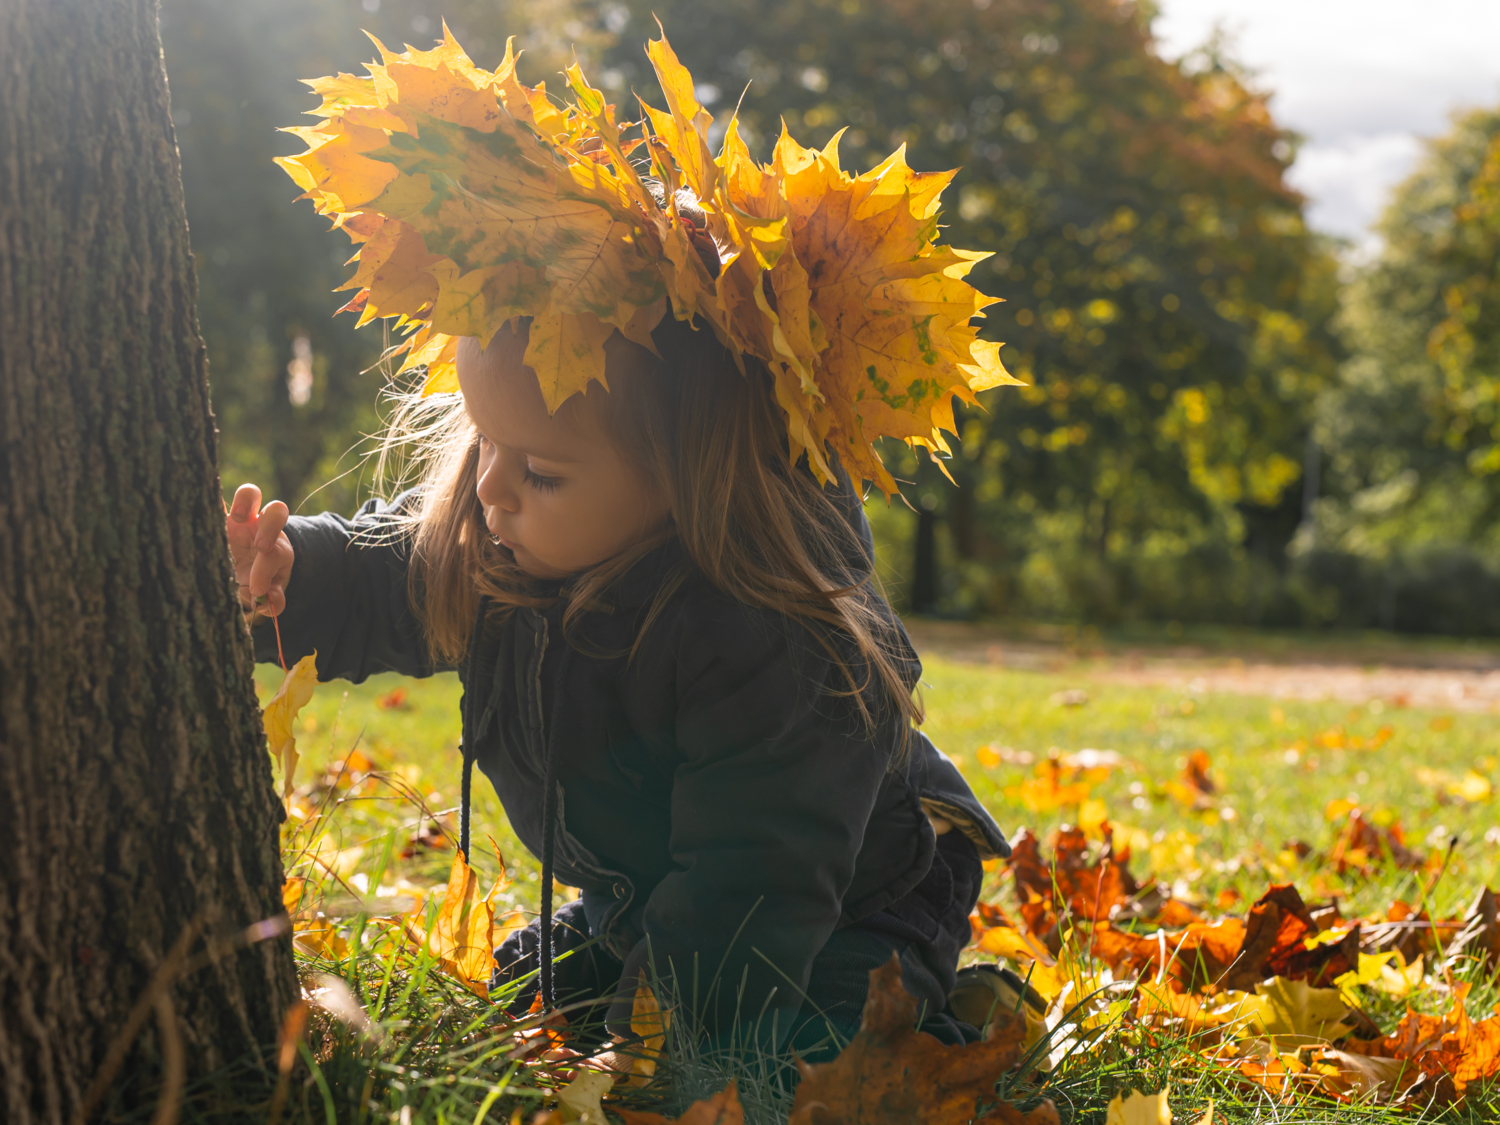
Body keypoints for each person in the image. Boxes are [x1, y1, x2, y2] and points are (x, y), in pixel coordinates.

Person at [241, 25, 1020, 1059]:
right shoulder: (513, 543)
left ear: (693, 478)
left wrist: (648, 1051)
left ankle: (961, 1020)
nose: (492, 492)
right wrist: (288, 579)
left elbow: (753, 887)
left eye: (543, 469)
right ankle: (624, 954)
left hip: (846, 918)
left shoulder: (776, 643)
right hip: (649, 888)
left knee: (792, 1052)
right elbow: (395, 581)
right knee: (541, 990)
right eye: (486, 447)